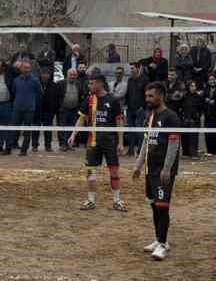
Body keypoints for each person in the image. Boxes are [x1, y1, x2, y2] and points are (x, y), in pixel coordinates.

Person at [131, 82, 181, 260]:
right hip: (149, 170)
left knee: (162, 207)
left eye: (151, 96)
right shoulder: (149, 116)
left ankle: (162, 244)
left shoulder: (171, 117)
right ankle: (159, 239)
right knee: (154, 205)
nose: (148, 99)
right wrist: (138, 166)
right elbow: (146, 142)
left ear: (161, 96)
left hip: (162, 171)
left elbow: (174, 145)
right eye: (146, 96)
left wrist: (167, 168)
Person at [71, 73, 126, 212]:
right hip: (93, 142)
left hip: (110, 142)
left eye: (92, 83)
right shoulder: (89, 100)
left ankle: (117, 201)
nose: (90, 86)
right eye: (89, 83)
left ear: (100, 83)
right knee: (91, 172)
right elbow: (82, 119)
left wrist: (120, 143)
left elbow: (120, 122)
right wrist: (73, 134)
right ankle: (91, 200)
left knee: (114, 172)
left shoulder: (113, 100)